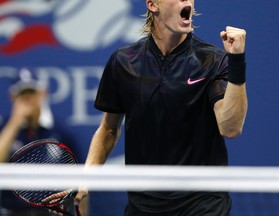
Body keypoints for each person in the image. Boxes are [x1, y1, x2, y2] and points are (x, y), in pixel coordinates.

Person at [46, 0, 248, 215]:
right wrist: (85, 180)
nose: (187, 1)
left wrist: (236, 62)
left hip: (203, 202)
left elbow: (230, 128)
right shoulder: (123, 62)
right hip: (144, 205)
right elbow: (108, 130)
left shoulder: (212, 60)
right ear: (153, 5)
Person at [0, 68, 88, 216]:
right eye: (22, 95)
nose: (28, 100)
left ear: (43, 93)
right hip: (13, 212)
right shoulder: (5, 130)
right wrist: (14, 123)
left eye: (32, 93)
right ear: (12, 97)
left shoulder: (62, 132)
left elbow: (82, 181)